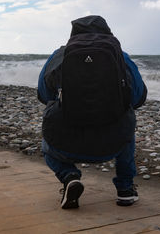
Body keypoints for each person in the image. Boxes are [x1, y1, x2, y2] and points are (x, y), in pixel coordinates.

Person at [37, 15, 147, 209]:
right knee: (126, 120)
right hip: (114, 143)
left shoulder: (59, 55)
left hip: (65, 142)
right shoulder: (122, 57)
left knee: (47, 143)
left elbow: (44, 95)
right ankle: (125, 190)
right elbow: (137, 98)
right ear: (108, 33)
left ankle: (69, 176)